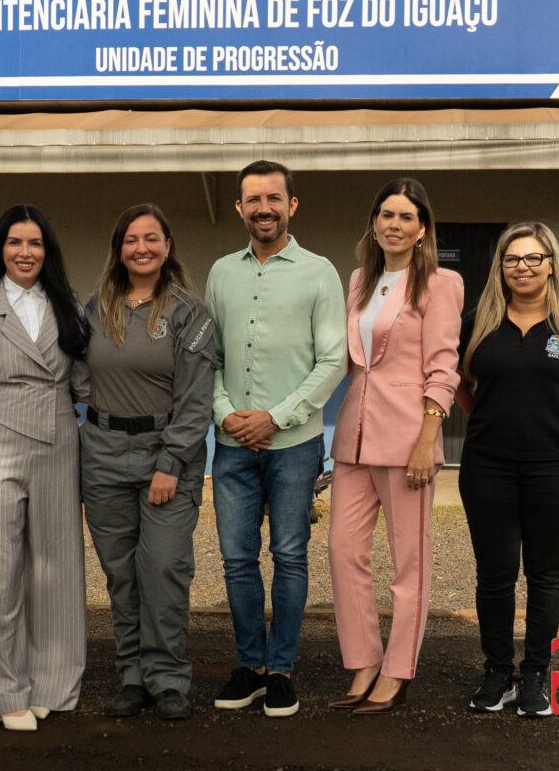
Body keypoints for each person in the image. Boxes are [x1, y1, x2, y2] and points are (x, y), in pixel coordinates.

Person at [455, 221, 559, 717]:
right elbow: (460, 385)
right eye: (511, 259)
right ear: (500, 268)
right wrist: (490, 419)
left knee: (546, 574)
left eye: (532, 258)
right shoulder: (475, 323)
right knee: (495, 575)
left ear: (550, 265)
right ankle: (498, 672)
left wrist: (557, 420)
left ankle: (536, 674)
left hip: (558, 468)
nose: (521, 267)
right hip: (489, 467)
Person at [205, 159, 346, 718]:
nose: (263, 208)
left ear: (293, 205)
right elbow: (208, 357)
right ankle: (250, 665)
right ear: (240, 208)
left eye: (274, 198)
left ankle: (282, 668)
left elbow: (333, 359)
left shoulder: (320, 272)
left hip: (294, 445)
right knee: (237, 559)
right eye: (252, 200)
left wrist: (277, 417)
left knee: (289, 555)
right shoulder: (221, 273)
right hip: (233, 442)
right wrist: (225, 413)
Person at [0, 204, 90, 732]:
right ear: (0, 249)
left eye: (34, 243)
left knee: (57, 568)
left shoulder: (68, 306)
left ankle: (51, 682)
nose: (24, 252)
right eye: (14, 243)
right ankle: (4, 689)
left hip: (58, 442)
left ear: (46, 252)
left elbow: (85, 382)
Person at [72, 204, 217, 722]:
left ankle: (169, 677)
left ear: (167, 246)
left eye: (151, 238)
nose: (141, 248)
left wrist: (172, 462)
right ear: (119, 249)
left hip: (163, 455)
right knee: (121, 575)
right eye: (131, 240)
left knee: (163, 568)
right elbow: (75, 369)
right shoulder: (97, 307)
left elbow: (197, 399)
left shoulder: (187, 313)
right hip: (104, 455)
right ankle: (131, 677)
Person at [327, 179, 463, 714]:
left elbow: (443, 364)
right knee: (343, 551)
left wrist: (428, 440)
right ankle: (363, 658)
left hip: (410, 439)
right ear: (374, 222)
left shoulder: (441, 283)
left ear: (423, 228)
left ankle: (398, 669)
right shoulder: (361, 279)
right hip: (353, 437)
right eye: (386, 214)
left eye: (406, 217)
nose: (394, 225)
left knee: (410, 563)